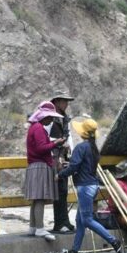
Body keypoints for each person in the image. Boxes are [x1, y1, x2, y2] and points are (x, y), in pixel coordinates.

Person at [56, 117, 121, 253]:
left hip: (84, 187)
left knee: (87, 220)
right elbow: (82, 165)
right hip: (92, 185)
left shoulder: (81, 147)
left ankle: (114, 241)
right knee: (80, 220)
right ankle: (75, 251)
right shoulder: (93, 148)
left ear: (82, 133)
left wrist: (60, 175)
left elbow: (74, 167)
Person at [24, 100, 66, 242]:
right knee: (40, 197)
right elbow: (41, 148)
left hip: (34, 166)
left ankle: (33, 227)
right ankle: (40, 228)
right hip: (40, 166)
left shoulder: (34, 128)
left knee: (36, 199)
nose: (51, 120)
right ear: (44, 117)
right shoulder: (39, 129)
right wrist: (55, 143)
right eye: (50, 117)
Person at [49, 92, 76, 234]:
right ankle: (59, 223)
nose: (67, 104)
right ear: (57, 102)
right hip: (55, 157)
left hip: (63, 157)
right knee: (59, 191)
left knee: (64, 190)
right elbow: (48, 139)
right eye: (64, 101)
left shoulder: (64, 119)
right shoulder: (51, 119)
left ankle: (65, 221)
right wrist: (60, 144)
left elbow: (67, 136)